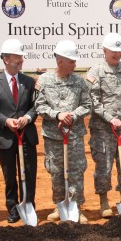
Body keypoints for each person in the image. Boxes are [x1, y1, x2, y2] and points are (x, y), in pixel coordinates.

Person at [35, 40, 91, 223]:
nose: (75, 64)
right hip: (53, 136)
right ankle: (60, 206)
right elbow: (39, 106)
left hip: (74, 136)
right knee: (56, 171)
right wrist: (57, 114)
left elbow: (87, 105)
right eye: (72, 61)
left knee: (76, 171)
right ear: (61, 61)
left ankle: (77, 208)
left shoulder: (80, 82)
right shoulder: (44, 80)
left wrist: (73, 116)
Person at [0, 39, 38, 223]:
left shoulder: (29, 82)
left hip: (27, 136)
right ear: (6, 59)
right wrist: (6, 121)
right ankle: (13, 207)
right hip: (6, 137)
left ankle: (29, 204)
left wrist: (27, 118)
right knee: (9, 175)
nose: (21, 59)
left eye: (21, 56)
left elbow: (36, 107)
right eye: (17, 56)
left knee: (29, 172)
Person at [86, 33, 121, 218]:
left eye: (119, 51)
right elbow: (93, 101)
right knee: (104, 166)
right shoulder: (95, 72)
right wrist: (109, 118)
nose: (117, 55)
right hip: (102, 130)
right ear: (104, 51)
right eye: (113, 51)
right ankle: (104, 201)